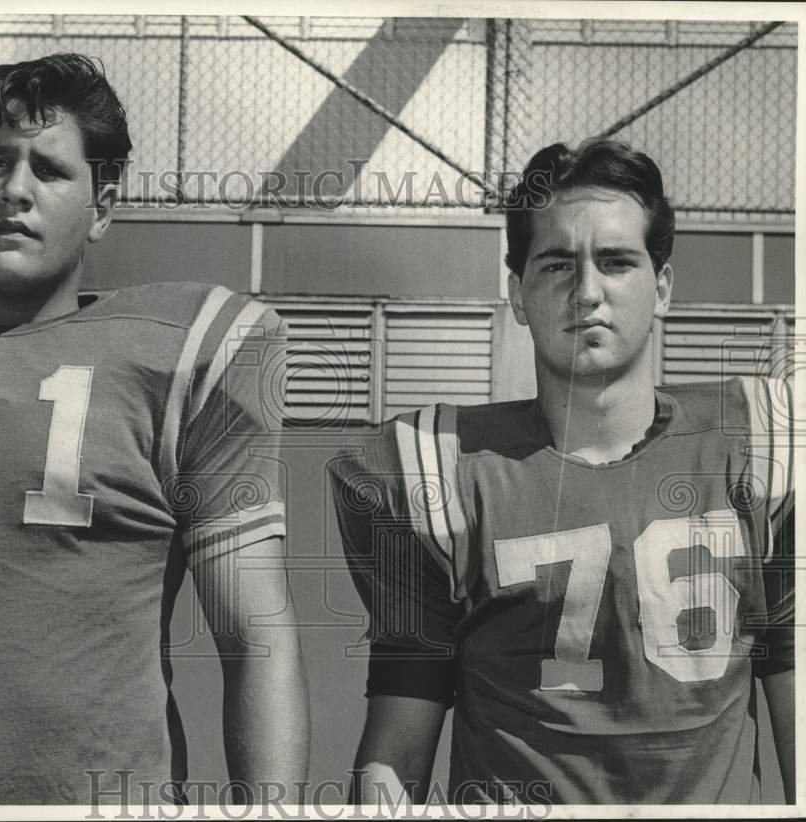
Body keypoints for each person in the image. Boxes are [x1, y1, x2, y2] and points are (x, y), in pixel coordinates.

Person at [0, 53, 308, 805]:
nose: (14, 191)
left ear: (103, 207)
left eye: (49, 171)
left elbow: (255, 636)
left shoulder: (184, 352)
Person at [330, 140, 794, 804]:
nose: (587, 291)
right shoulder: (440, 473)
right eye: (556, 265)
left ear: (661, 286)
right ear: (517, 294)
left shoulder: (760, 447)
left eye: (616, 261)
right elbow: (398, 744)